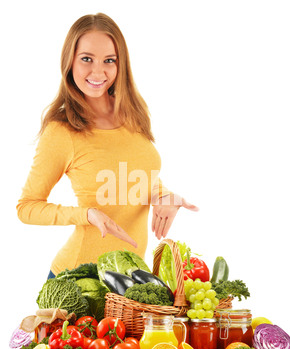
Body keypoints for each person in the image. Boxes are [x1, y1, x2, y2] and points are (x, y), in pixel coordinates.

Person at [16, 13, 198, 278]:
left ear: (120, 64)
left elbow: (133, 177)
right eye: (86, 59)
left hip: (131, 277)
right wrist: (87, 215)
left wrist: (163, 196)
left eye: (109, 61)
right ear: (70, 61)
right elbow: (26, 207)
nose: (98, 72)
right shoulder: (62, 130)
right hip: (80, 278)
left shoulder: (134, 112)